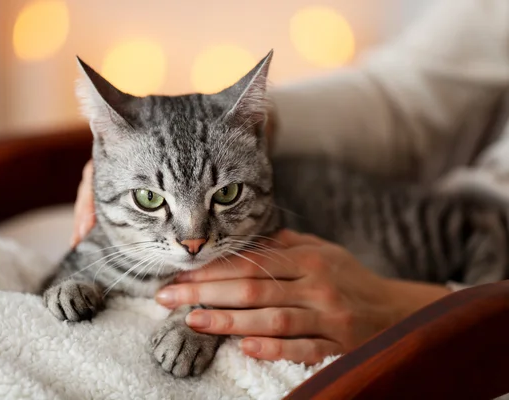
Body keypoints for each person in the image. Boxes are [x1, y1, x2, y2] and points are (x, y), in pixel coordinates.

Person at [70, 0, 509, 364]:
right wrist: (241, 128)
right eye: (150, 199)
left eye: (222, 196)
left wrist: (410, 308)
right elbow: (406, 97)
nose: (193, 239)